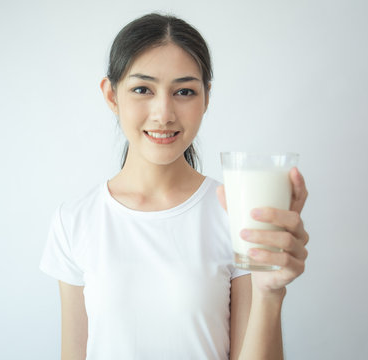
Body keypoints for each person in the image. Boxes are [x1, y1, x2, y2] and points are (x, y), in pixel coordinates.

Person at [40, 13, 309, 360]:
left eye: (184, 91)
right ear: (111, 95)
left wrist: (270, 294)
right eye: (142, 89)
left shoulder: (235, 214)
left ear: (206, 97)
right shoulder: (74, 221)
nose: (163, 113)